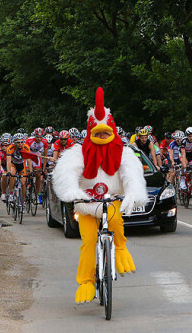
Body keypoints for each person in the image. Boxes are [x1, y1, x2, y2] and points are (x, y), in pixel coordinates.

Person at [52, 87, 147, 304]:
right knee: (88, 241)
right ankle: (86, 281)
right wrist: (73, 192)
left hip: (109, 202)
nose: (102, 137)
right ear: (91, 132)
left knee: (116, 222)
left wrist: (133, 192)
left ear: (112, 131)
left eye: (106, 133)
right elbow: (67, 171)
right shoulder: (79, 152)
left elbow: (131, 173)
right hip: (86, 205)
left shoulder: (123, 152)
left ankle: (120, 248)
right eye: (98, 133)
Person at [6, 133, 33, 209]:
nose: (20, 144)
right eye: (18, 142)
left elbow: (29, 160)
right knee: (12, 175)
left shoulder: (26, 147)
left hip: (21, 164)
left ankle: (23, 201)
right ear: (14, 142)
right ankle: (11, 193)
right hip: (13, 164)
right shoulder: (10, 148)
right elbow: (8, 161)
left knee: (23, 183)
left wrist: (30, 171)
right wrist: (8, 171)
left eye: (21, 142)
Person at [25, 127, 48, 204]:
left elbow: (45, 156)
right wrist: (30, 169)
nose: (39, 139)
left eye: (40, 137)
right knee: (27, 173)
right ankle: (25, 189)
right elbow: (27, 155)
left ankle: (38, 194)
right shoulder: (29, 140)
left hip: (36, 156)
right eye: (37, 137)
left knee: (38, 174)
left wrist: (43, 168)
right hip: (28, 155)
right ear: (34, 136)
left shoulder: (44, 142)